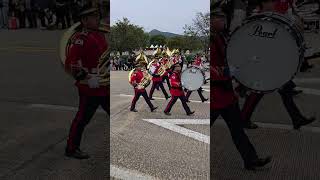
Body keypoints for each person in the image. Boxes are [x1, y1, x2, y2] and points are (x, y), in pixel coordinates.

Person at [211, 7, 271, 171]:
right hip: (215, 97)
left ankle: (251, 160)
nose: (223, 20)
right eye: (219, 18)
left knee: (237, 130)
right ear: (211, 21)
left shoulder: (222, 37)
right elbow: (213, 70)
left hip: (227, 96)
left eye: (224, 17)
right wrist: (235, 72)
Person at [240, 0, 316, 129]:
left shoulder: (271, 16)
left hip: (273, 61)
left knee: (284, 90)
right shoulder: (258, 19)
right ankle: (243, 119)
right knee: (257, 92)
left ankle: (296, 119)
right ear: (263, 3)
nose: (273, 4)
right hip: (263, 62)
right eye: (269, 2)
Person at [64, 5, 108, 159]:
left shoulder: (100, 35)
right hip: (90, 86)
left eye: (97, 16)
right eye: (94, 17)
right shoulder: (81, 39)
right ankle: (71, 148)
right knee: (82, 119)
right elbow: (71, 63)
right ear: (84, 20)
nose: (98, 19)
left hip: (104, 84)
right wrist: (86, 77)